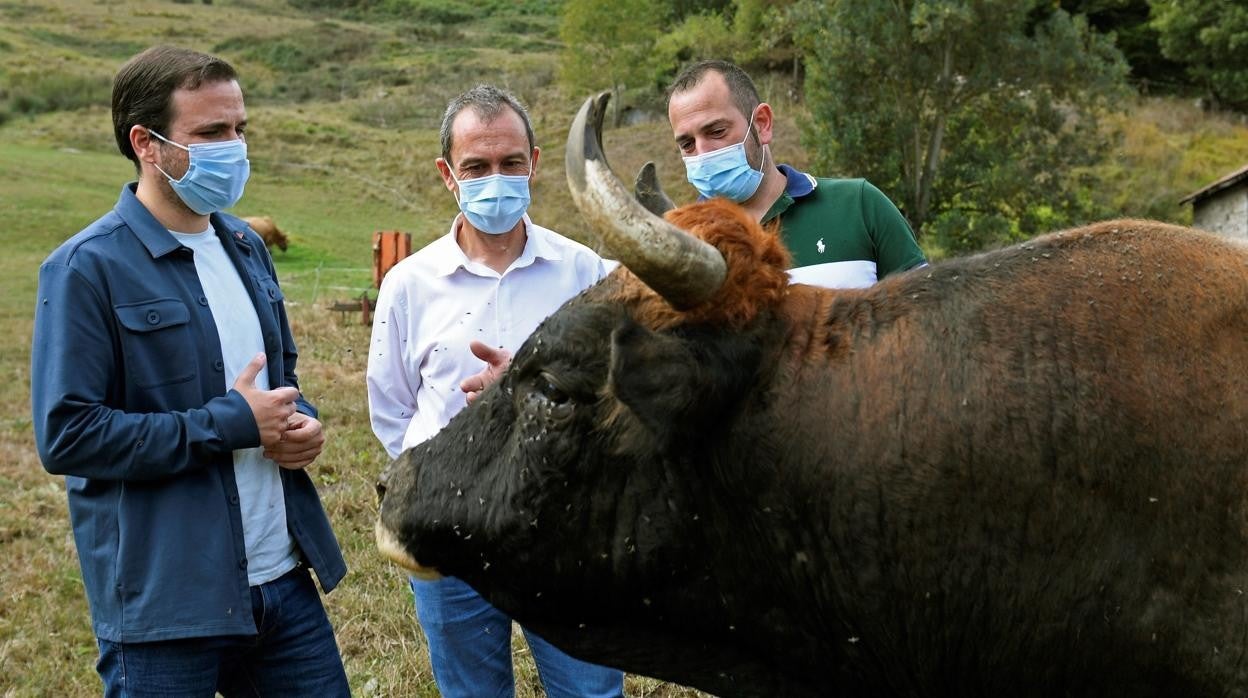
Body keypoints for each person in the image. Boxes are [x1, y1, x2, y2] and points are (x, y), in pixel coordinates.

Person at [30, 45, 349, 696]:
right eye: (210, 133)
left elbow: (277, 382)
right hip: (165, 604)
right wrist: (232, 423)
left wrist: (299, 424)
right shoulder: (86, 268)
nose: (234, 148)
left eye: (239, 129)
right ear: (145, 143)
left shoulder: (246, 245)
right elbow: (67, 435)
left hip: (282, 583)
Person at [365, 85, 625, 698]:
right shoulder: (409, 284)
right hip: (450, 529)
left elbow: (617, 398)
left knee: (589, 692)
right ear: (447, 175)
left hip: (564, 525)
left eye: (510, 163)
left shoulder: (584, 271)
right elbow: (392, 409)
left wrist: (528, 392)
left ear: (534, 163)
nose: (495, 180)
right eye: (476, 167)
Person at [666, 59, 927, 288]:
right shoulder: (681, 242)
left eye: (716, 132)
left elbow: (928, 313)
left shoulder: (858, 206)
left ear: (762, 124)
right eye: (687, 144)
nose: (702, 153)